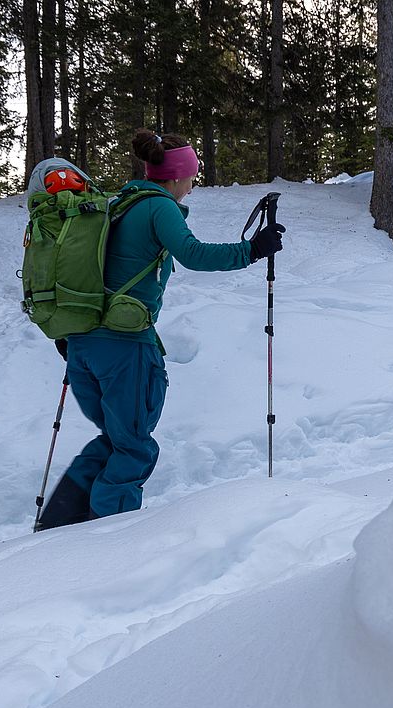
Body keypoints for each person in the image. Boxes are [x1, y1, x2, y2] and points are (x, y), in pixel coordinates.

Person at [36, 130, 286, 529]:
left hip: (81, 342)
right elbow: (194, 254)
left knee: (116, 442)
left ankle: (58, 527)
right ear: (176, 176)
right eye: (193, 175)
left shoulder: (117, 204)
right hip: (124, 347)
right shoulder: (158, 206)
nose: (194, 184)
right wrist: (253, 250)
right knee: (132, 448)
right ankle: (100, 543)